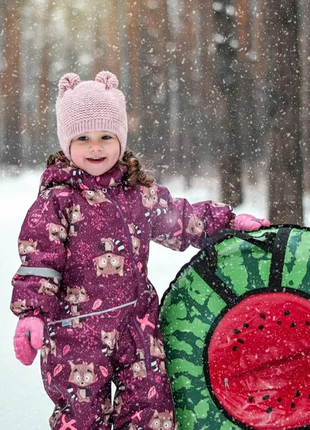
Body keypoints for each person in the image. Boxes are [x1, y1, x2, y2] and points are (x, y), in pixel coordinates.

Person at [10, 70, 270, 430]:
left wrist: (226, 222)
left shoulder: (138, 195)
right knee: (81, 417)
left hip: (137, 324)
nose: (96, 147)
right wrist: (32, 313)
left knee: (151, 409)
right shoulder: (57, 201)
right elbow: (40, 260)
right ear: (67, 143)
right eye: (83, 138)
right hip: (75, 333)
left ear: (121, 138)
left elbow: (181, 218)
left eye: (105, 136)